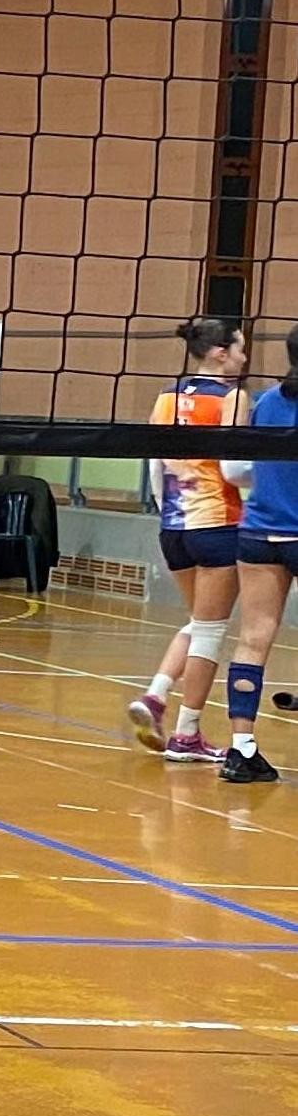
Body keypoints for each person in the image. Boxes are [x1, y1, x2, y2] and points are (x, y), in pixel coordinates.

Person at [123, 316, 250, 762]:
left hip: (173, 528)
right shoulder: (233, 397)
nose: (244, 357)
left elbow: (155, 467)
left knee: (199, 623)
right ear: (220, 352)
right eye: (240, 348)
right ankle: (186, 734)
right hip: (216, 524)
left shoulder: (168, 396)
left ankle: (156, 695)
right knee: (210, 633)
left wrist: (167, 512)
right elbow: (234, 470)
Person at [215, 330, 298, 783]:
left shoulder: (263, 403)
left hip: (259, 532)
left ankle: (241, 749)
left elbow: (239, 469)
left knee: (252, 639)